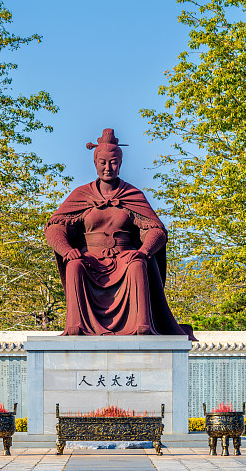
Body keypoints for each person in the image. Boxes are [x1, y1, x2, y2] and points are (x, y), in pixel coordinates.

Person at [44, 128, 192, 337]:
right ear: (95, 163)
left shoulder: (132, 194)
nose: (108, 167)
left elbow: (156, 230)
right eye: (103, 162)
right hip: (90, 259)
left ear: (120, 164)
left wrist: (144, 251)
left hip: (125, 257)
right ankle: (76, 326)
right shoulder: (81, 194)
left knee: (138, 264)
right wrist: (66, 249)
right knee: (74, 265)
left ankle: (142, 325)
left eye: (113, 162)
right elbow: (55, 227)